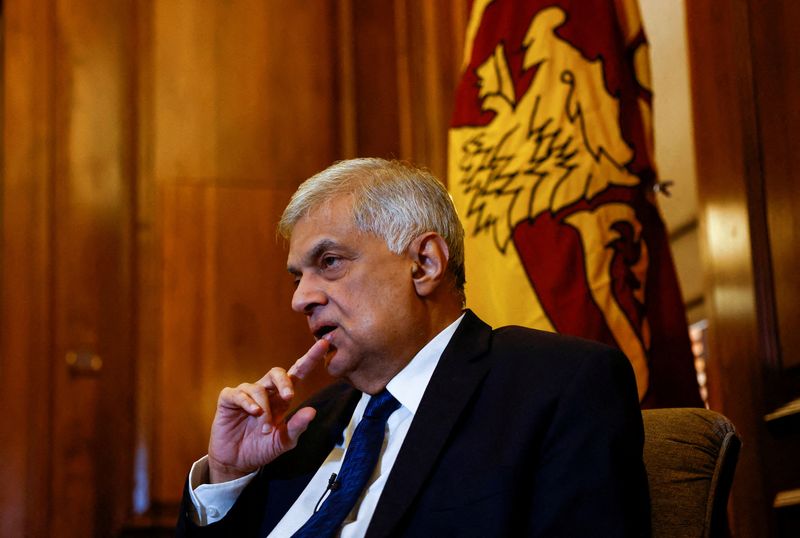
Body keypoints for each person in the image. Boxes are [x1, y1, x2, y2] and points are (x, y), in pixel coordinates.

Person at [176, 158, 650, 537]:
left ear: (424, 264)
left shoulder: (557, 384)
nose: (301, 298)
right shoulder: (306, 424)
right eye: (299, 277)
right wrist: (226, 475)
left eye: (330, 262)